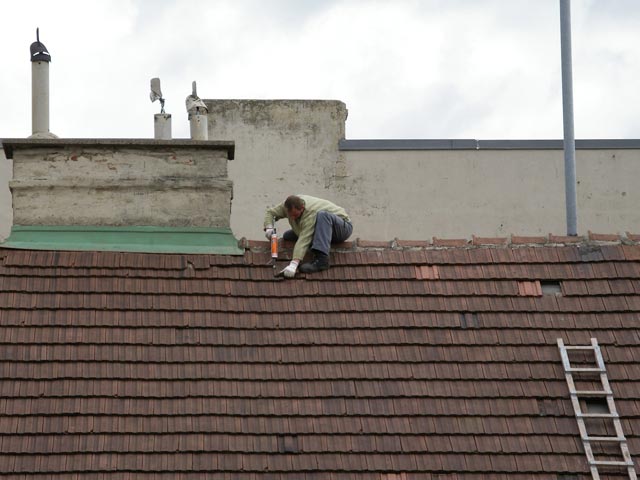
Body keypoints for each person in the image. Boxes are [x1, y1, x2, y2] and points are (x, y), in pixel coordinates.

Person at [263, 194, 353, 278]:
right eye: (290, 216)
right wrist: (269, 227)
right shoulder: (286, 206)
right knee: (287, 236)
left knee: (323, 215)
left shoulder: (310, 212)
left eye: (295, 215)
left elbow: (304, 239)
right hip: (321, 228)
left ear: (302, 208)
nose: (293, 218)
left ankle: (322, 260)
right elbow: (271, 212)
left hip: (342, 228)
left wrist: (294, 264)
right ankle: (316, 243)